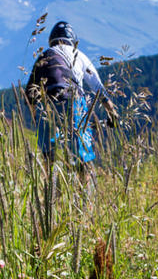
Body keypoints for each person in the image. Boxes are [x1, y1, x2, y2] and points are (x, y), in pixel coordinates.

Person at [25, 21, 118, 174]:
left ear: (51, 40)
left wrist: (35, 116)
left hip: (45, 103)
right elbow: (98, 87)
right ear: (73, 40)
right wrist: (112, 112)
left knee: (48, 155)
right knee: (81, 157)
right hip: (72, 99)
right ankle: (84, 192)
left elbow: (30, 93)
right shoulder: (78, 54)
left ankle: (50, 190)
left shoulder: (44, 55)